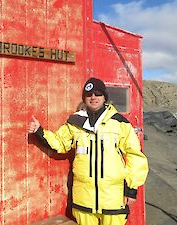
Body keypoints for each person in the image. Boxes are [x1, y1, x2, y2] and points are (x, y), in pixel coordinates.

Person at [28, 77, 148, 225]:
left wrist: (131, 189)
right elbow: (60, 143)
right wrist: (39, 131)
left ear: (104, 97)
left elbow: (135, 156)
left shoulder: (120, 123)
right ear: (84, 98)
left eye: (98, 93)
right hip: (83, 199)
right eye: (89, 94)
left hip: (113, 200)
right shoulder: (74, 122)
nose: (93, 97)